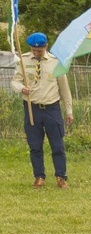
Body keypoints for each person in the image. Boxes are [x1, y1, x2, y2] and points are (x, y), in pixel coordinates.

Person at [11, 32, 74, 189]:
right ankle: (39, 177)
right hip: (32, 108)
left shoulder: (55, 62)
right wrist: (21, 88)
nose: (36, 53)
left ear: (46, 47)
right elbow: (15, 81)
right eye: (34, 50)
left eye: (39, 50)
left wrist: (69, 110)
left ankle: (61, 177)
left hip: (52, 108)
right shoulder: (23, 60)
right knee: (35, 145)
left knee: (57, 145)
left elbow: (64, 89)